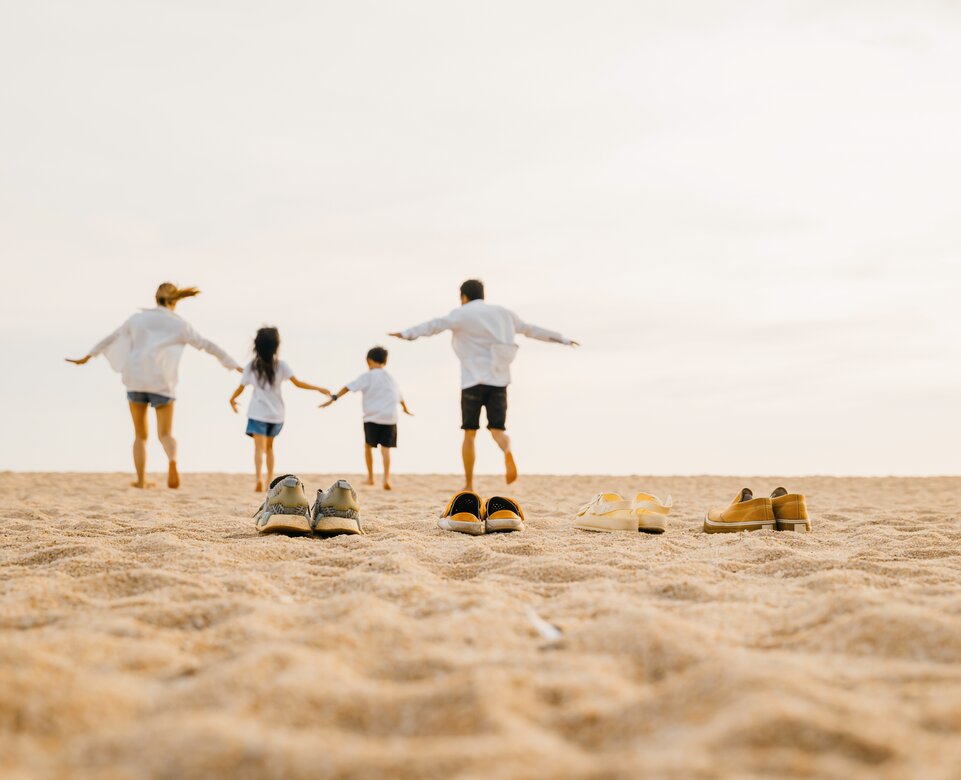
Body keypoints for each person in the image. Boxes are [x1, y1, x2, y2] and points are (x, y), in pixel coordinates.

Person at [389, 279, 577, 490]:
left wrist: (407, 334)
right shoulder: (504, 313)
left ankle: (469, 484)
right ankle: (507, 451)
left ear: (464, 297)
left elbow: (434, 325)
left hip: (472, 382)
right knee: (497, 430)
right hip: (499, 381)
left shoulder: (461, 314)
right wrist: (563, 339)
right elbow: (531, 330)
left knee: (470, 433)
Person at [66, 282, 241, 489]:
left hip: (136, 379)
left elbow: (111, 338)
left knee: (140, 435)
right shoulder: (180, 325)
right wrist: (233, 364)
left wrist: (88, 356)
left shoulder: (137, 319)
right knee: (165, 434)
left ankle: (141, 481)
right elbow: (207, 345)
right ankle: (172, 461)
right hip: (163, 383)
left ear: (155, 298)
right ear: (174, 301)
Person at [229, 327, 331, 492]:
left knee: (258, 449)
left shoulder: (252, 366)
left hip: (257, 413)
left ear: (257, 345)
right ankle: (269, 479)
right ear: (276, 346)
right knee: (269, 448)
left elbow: (241, 387)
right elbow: (298, 383)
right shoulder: (281, 365)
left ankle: (258, 479)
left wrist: (232, 399)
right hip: (276, 414)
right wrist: (318, 388)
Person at [320, 346, 412, 490]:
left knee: (368, 446)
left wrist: (334, 397)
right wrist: (406, 409)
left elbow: (348, 387)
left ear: (369, 361)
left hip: (372, 417)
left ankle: (370, 477)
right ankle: (386, 479)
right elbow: (400, 397)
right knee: (386, 450)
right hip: (390, 418)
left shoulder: (367, 376)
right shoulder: (391, 378)